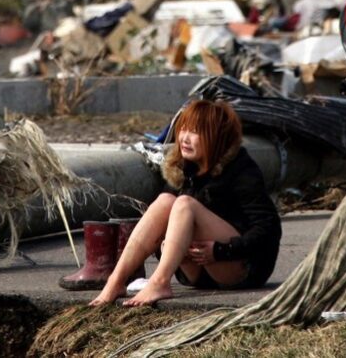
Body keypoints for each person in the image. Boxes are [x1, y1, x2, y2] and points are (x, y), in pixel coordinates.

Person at [89, 99, 282, 306]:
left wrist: (220, 250)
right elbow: (161, 228)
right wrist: (164, 245)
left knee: (185, 204)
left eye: (195, 132)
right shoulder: (183, 169)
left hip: (238, 267)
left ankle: (160, 282)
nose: (184, 138)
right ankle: (116, 280)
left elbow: (268, 229)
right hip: (196, 273)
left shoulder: (242, 170)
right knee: (165, 201)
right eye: (183, 130)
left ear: (216, 137)